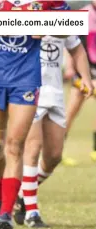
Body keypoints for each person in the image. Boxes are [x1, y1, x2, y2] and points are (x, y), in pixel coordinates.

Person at [0, 0, 71, 229]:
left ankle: (6, 214)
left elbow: (66, 27)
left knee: (15, 145)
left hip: (27, 78)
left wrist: (45, 25)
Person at [12, 35, 93, 228]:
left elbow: (77, 48)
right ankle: (32, 214)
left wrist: (86, 78)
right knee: (33, 149)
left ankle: (22, 194)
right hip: (28, 89)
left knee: (54, 156)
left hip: (54, 93)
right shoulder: (24, 12)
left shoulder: (60, 12)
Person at [61, 1, 96, 165]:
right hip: (81, 73)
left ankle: (95, 150)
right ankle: (56, 151)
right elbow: (71, 44)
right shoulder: (82, 14)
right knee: (71, 112)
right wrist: (69, 67)